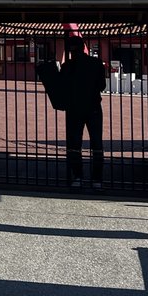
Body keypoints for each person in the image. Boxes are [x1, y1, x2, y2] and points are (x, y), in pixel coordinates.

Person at [60, 35, 108, 189]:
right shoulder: (96, 63)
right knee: (96, 143)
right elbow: (102, 85)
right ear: (84, 47)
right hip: (93, 107)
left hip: (74, 108)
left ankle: (77, 176)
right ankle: (97, 179)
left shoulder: (68, 66)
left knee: (75, 144)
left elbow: (62, 88)